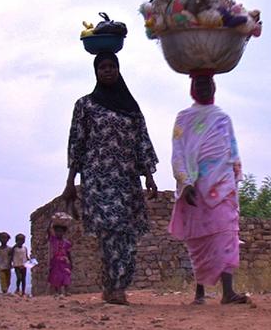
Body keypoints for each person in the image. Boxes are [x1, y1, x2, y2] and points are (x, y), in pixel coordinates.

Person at [62, 51, 159, 305]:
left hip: (126, 180)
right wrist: (70, 182)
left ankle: (116, 285)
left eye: (111, 66)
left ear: (118, 69)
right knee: (108, 231)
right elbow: (77, 144)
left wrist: (149, 176)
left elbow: (141, 142)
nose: (107, 71)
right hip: (98, 179)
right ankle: (113, 287)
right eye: (102, 67)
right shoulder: (85, 105)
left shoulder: (131, 108)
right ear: (95, 72)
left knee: (126, 235)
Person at [168, 71, 249, 305]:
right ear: (192, 88)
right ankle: (200, 292)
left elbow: (231, 149)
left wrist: (234, 179)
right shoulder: (183, 118)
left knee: (226, 234)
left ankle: (228, 292)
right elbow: (178, 151)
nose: (204, 88)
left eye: (208, 83)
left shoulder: (222, 117)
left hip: (223, 186)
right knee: (199, 240)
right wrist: (186, 182)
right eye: (199, 84)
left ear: (214, 87)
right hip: (195, 187)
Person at [47, 221, 73, 295]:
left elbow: (68, 253)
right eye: (57, 231)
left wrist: (71, 262)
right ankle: (56, 292)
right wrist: (50, 223)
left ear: (63, 232)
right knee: (55, 276)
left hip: (64, 262)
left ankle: (67, 291)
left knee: (66, 275)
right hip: (55, 261)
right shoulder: (53, 240)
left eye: (61, 231)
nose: (59, 233)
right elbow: (48, 231)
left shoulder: (67, 243)